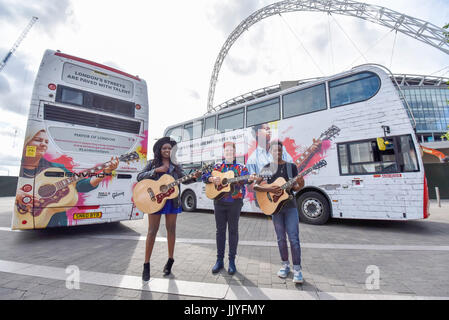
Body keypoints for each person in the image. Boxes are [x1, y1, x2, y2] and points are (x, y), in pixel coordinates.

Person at [15, 128, 118, 227]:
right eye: (38, 140)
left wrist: (105, 172)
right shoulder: (18, 166)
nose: (43, 144)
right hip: (21, 212)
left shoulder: (57, 168)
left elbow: (83, 184)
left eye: (46, 142)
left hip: (56, 222)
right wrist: (18, 195)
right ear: (26, 142)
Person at [137, 136, 200, 281]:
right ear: (160, 150)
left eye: (169, 148)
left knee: (171, 230)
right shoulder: (152, 163)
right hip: (154, 201)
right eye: (164, 148)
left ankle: (170, 260)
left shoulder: (176, 166)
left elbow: (185, 178)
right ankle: (146, 265)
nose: (167, 150)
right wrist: (156, 170)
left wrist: (195, 176)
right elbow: (139, 177)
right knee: (152, 231)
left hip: (172, 201)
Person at [253, 140, 305, 284]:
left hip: (290, 207)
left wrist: (301, 183)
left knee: (294, 239)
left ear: (283, 151)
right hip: (275, 209)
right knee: (281, 238)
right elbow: (256, 186)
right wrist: (269, 189)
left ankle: (297, 269)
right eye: (275, 150)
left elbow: (295, 188)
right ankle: (285, 265)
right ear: (270, 152)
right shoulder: (267, 168)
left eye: (280, 150)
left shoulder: (291, 167)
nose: (278, 153)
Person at [202, 141, 255, 275]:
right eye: (227, 151)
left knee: (233, 231)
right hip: (219, 202)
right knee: (220, 231)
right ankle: (219, 260)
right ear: (224, 153)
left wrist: (249, 179)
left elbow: (247, 180)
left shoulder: (241, 167)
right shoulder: (218, 166)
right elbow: (204, 176)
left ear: (234, 152)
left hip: (235, 202)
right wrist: (212, 179)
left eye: (231, 151)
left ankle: (231, 261)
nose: (229, 153)